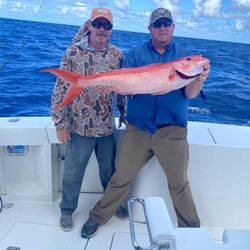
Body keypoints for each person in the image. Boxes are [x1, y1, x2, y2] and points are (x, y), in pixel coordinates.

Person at [81, 7, 210, 238]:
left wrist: (199, 77)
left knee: (179, 184)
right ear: (150, 28)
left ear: (173, 27)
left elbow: (190, 94)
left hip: (172, 130)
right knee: (121, 177)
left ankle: (192, 233)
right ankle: (97, 217)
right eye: (157, 24)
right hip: (138, 128)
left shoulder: (182, 54)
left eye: (166, 24)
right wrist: (107, 85)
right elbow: (124, 84)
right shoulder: (135, 54)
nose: (162, 28)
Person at [51, 7, 128, 232]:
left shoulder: (117, 55)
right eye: (98, 24)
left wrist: (122, 111)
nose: (102, 30)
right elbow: (59, 89)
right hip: (80, 127)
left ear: (111, 29)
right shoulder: (72, 52)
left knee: (109, 172)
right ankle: (67, 210)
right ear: (90, 26)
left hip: (106, 126)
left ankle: (112, 205)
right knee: (73, 172)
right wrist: (60, 123)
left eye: (107, 26)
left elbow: (121, 87)